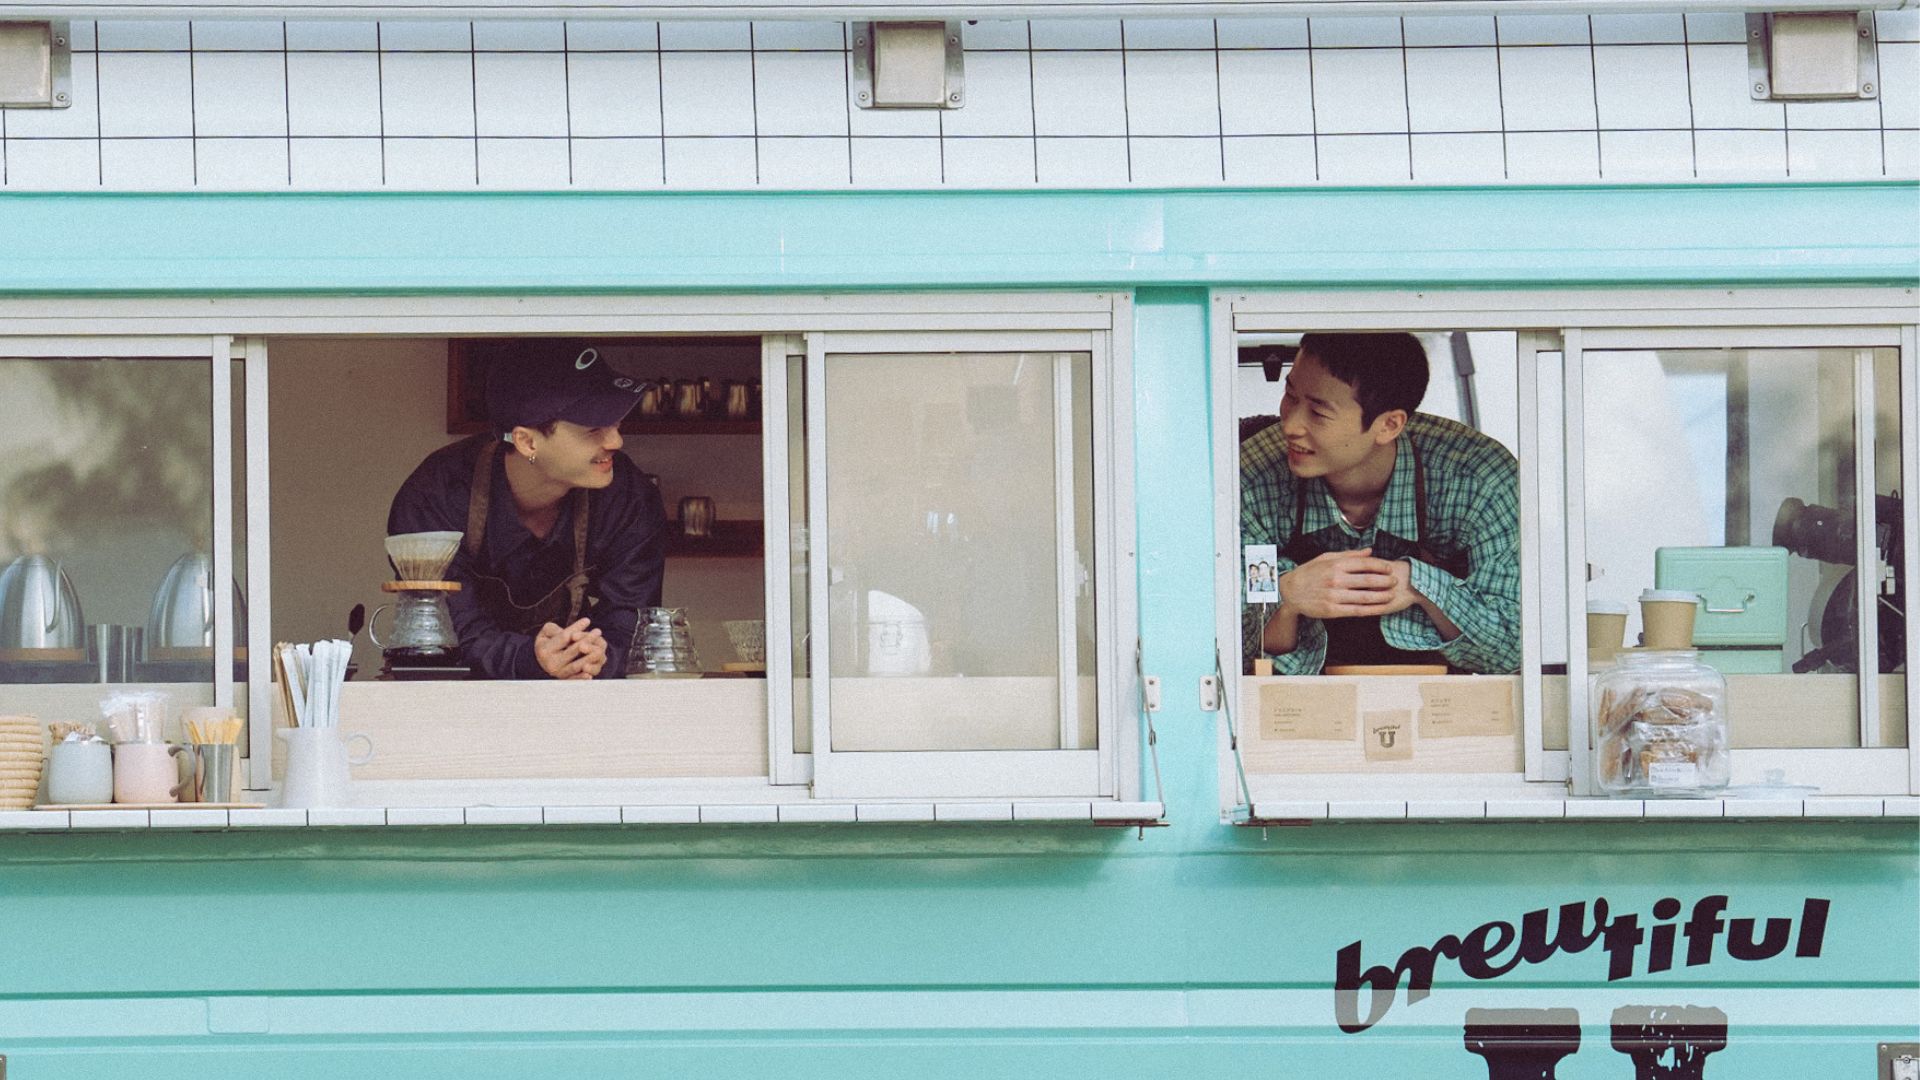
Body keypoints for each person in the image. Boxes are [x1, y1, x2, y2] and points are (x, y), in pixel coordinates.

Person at [1241, 333, 1520, 675]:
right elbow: (1226, 652)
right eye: (1290, 395)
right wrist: (1287, 596)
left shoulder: (1477, 480)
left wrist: (1423, 586)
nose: (1290, 424)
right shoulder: (1252, 477)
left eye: (1317, 412)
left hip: (1444, 715)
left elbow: (1512, 650)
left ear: (1389, 425)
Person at [388, 340, 667, 679]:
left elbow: (632, 628)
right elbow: (440, 633)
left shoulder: (630, 500)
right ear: (527, 441)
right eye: (593, 428)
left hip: (583, 699)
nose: (615, 442)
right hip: (457, 705)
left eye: (616, 422)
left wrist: (594, 656)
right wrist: (529, 660)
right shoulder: (435, 497)